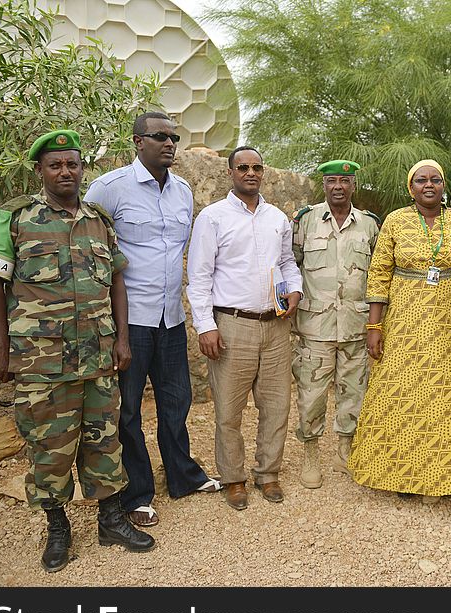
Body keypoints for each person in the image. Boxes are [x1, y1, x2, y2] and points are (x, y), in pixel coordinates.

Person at [0, 130, 154, 572]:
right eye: (55, 165)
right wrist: (2, 350)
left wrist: (124, 339)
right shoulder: (15, 219)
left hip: (97, 356)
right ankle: (58, 529)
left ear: (81, 168)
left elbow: (116, 281)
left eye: (72, 164)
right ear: (40, 170)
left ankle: (110, 520)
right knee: (48, 447)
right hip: (41, 361)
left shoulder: (98, 220)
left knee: (104, 439)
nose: (65, 172)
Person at [84, 111, 220, 528]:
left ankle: (182, 477)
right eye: (160, 136)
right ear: (137, 141)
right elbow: (90, 252)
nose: (169, 143)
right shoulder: (108, 189)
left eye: (174, 137)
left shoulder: (182, 191)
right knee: (127, 411)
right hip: (130, 320)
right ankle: (137, 492)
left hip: (170, 318)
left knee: (176, 402)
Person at [348, 159, 451, 502]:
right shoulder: (396, 220)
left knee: (444, 398)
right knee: (400, 395)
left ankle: (441, 479)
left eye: (435, 180)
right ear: (411, 188)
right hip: (403, 325)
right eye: (421, 180)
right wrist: (375, 326)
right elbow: (378, 274)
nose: (428, 185)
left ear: (444, 186)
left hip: (447, 326)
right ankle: (399, 476)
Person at [187, 146, 303, 510]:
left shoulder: (276, 218)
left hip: (275, 326)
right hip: (232, 325)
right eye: (242, 168)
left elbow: (286, 262)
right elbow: (199, 275)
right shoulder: (212, 217)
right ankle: (233, 478)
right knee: (229, 410)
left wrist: (295, 289)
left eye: (256, 167)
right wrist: (206, 326)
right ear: (230, 173)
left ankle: (268, 473)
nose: (250, 173)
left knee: (276, 406)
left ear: (263, 172)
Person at [291, 160, 380, 488]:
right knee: (311, 392)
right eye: (332, 181)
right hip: (316, 327)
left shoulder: (369, 225)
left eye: (345, 180)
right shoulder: (305, 221)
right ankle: (311, 453)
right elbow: (291, 264)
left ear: (353, 185)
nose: (338, 186)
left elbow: (378, 277)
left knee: (353, 391)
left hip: (356, 325)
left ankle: (345, 450)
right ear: (324, 185)